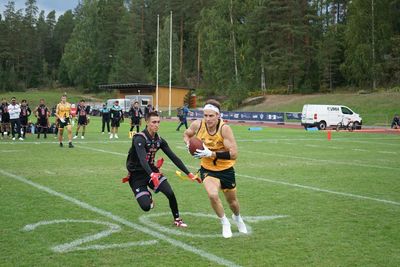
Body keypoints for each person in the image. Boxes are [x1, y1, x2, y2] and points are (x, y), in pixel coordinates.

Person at [183, 99, 248, 238]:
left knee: (233, 202)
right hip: (208, 169)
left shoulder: (224, 129)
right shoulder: (197, 125)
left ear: (218, 115)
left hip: (226, 169)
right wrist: (188, 144)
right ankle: (224, 222)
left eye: (211, 115)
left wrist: (211, 153)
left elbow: (234, 154)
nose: (207, 119)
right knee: (212, 195)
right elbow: (187, 134)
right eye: (205, 115)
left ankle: (237, 218)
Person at [125, 111, 198, 227]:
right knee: (146, 207)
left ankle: (177, 219)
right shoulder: (139, 138)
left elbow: (174, 157)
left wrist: (188, 173)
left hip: (151, 170)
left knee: (170, 193)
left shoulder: (159, 140)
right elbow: (143, 160)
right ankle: (148, 197)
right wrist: (152, 175)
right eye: (154, 122)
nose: (157, 125)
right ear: (147, 122)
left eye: (158, 122)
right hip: (136, 175)